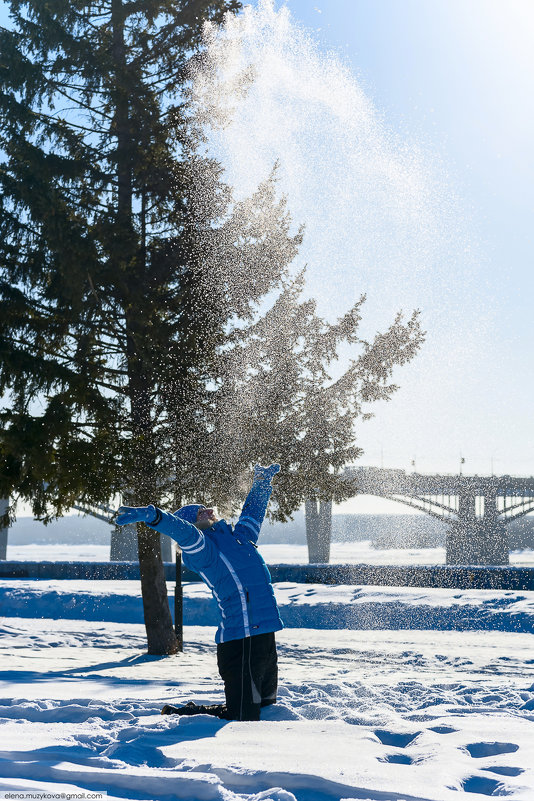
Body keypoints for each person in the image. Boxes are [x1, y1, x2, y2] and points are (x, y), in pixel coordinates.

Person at [115, 463, 284, 721]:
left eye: (205, 508)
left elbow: (253, 513)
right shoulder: (204, 552)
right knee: (243, 716)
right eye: (199, 513)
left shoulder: (239, 537)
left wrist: (261, 482)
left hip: (264, 633)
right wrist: (152, 515)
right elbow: (181, 530)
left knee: (266, 707)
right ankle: (190, 715)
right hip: (242, 639)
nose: (207, 511)